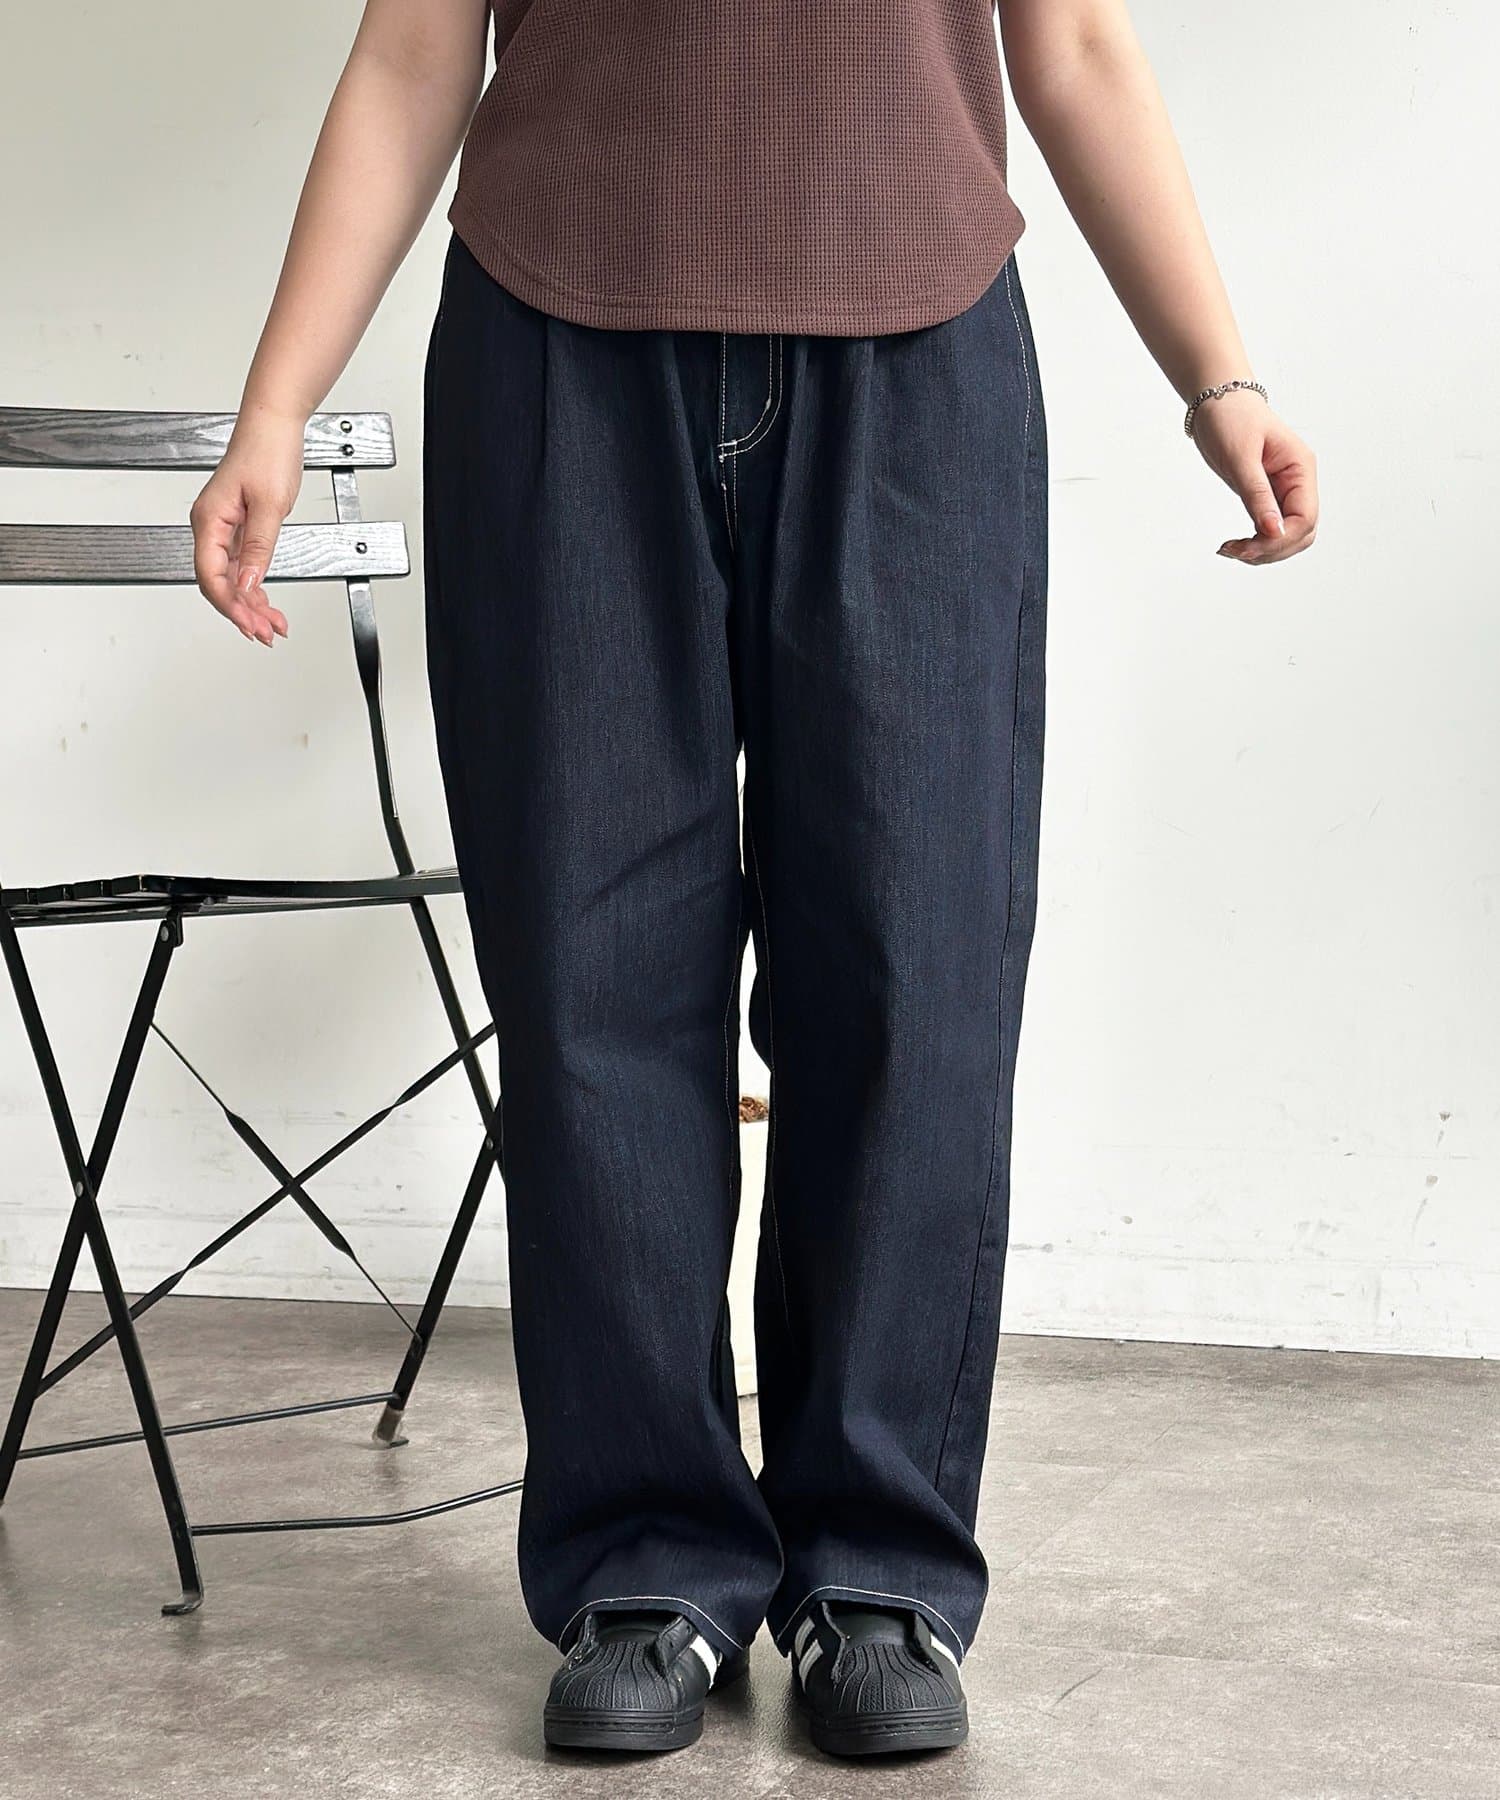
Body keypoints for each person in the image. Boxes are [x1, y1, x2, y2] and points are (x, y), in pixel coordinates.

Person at [191, 0, 1318, 1761]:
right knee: (590, 980)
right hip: (557, 351)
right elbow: (415, 50)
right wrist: (277, 402)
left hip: (918, 357)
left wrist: (1218, 378)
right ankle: (646, 1564)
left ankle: (879, 1568)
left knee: (914, 974)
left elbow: (1078, 44)